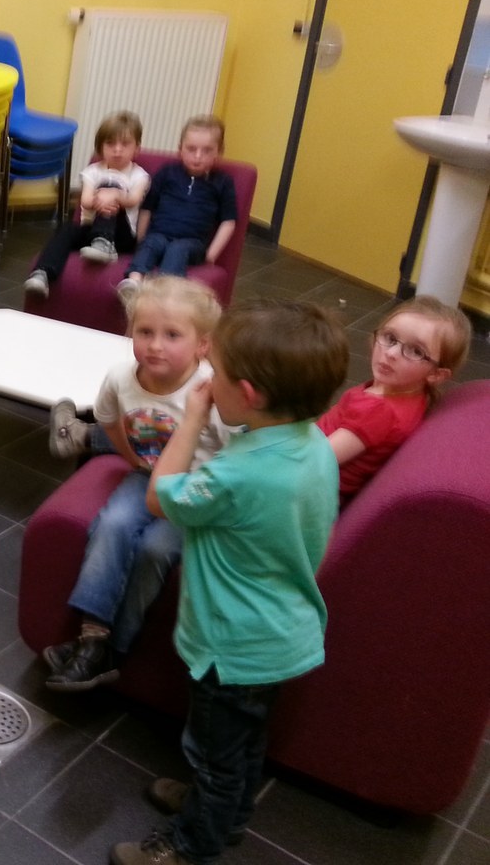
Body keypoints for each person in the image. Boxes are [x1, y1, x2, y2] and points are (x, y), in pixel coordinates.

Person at [109, 299, 348, 865]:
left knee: (212, 754)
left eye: (213, 372)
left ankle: (191, 844)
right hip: (280, 632)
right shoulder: (312, 444)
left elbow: (158, 496)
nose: (205, 381)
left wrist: (192, 417)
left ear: (249, 394)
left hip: (231, 645)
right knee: (245, 740)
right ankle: (229, 813)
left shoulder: (236, 474)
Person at [41, 278, 231, 691]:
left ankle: (114, 649)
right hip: (147, 475)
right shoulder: (121, 376)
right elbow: (108, 419)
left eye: (172, 335)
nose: (155, 345)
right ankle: (93, 639)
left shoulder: (211, 391)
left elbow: (236, 453)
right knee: (112, 523)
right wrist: (132, 459)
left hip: (196, 491)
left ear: (202, 345)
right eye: (145, 332)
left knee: (154, 549)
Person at [318, 294, 469, 502]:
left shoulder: (378, 411)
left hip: (312, 490)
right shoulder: (412, 395)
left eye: (416, 351)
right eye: (390, 338)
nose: (391, 353)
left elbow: (316, 460)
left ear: (436, 374)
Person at [24, 111, 150, 297]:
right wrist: (102, 197)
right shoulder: (93, 171)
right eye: (110, 143)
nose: (117, 150)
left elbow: (133, 199)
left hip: (121, 237)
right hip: (91, 231)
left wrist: (114, 195)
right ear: (100, 147)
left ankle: (104, 243)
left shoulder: (139, 175)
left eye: (125, 144)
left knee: (110, 191)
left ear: (137, 148)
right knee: (67, 229)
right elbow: (86, 201)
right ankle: (42, 274)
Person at [118, 115, 237, 297]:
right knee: (150, 244)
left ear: (218, 152)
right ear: (180, 149)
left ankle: (163, 290)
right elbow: (148, 207)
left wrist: (211, 254)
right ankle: (133, 282)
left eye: (207, 150)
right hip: (160, 234)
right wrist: (141, 238)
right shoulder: (167, 172)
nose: (198, 156)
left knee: (178, 249)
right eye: (191, 149)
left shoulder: (222, 182)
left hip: (193, 243)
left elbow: (228, 221)